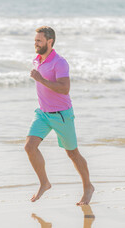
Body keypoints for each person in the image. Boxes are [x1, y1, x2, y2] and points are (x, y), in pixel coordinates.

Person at [25, 26, 94, 205]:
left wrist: (40, 79)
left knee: (73, 154)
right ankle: (44, 183)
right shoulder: (37, 59)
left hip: (61, 114)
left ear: (50, 41)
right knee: (29, 147)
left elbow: (64, 89)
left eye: (39, 41)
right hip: (42, 113)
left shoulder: (60, 62)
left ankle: (88, 187)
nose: (36, 44)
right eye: (35, 41)